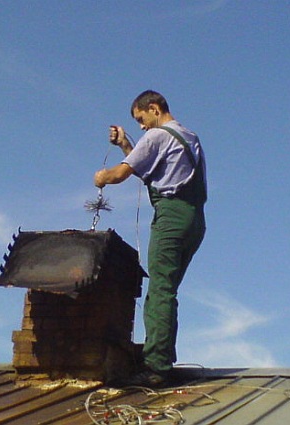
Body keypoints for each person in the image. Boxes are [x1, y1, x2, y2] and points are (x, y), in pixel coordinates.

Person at [94, 90, 207, 387]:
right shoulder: (189, 137)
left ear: (154, 109)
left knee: (159, 291)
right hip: (194, 220)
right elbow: (154, 173)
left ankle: (156, 367)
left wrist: (102, 178)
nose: (142, 126)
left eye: (141, 119)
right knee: (167, 289)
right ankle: (161, 357)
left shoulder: (157, 137)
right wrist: (125, 145)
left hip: (170, 218)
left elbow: (121, 174)